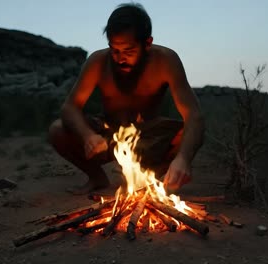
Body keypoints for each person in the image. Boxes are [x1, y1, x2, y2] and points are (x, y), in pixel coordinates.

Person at [49, 3, 205, 195]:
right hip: (107, 134)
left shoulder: (166, 60)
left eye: (128, 51)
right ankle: (97, 178)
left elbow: (194, 115)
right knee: (58, 130)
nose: (119, 58)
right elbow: (69, 108)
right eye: (114, 49)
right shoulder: (98, 62)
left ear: (147, 43)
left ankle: (150, 181)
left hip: (148, 137)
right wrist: (87, 135)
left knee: (190, 132)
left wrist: (183, 158)